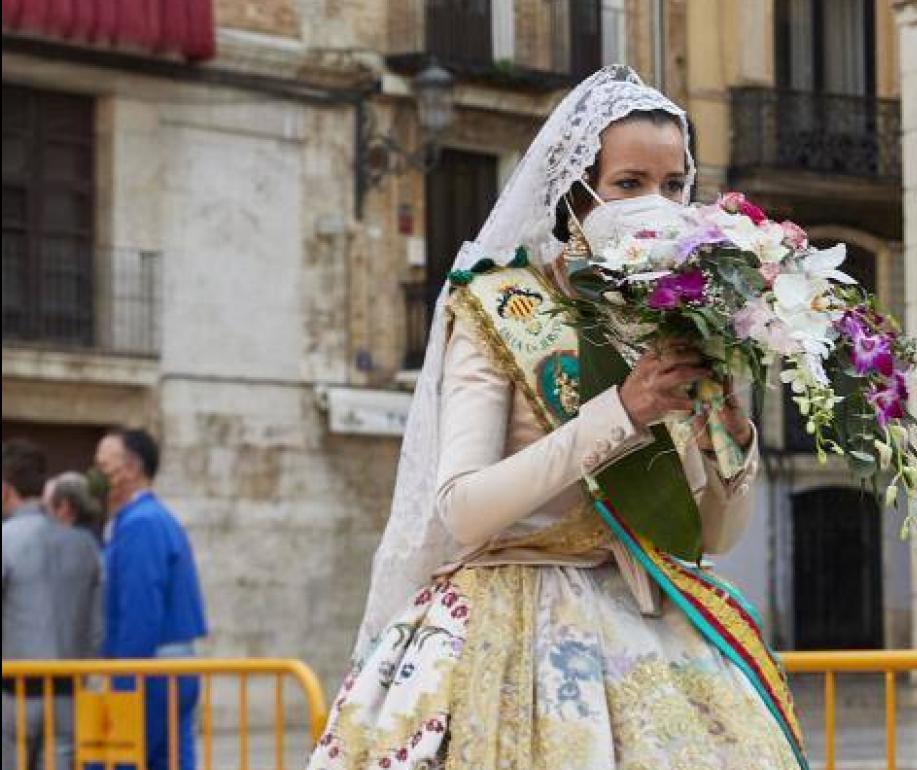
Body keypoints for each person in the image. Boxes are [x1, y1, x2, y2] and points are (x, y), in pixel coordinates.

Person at [307, 66, 805, 770]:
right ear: (575, 195)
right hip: (511, 630)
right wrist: (621, 412)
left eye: (672, 186)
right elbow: (465, 511)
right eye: (628, 184)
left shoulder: (674, 328)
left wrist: (732, 434)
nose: (654, 204)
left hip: (648, 622)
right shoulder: (500, 309)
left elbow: (713, 536)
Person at [95, 428, 207, 770]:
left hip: (151, 670)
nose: (96, 475)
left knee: (120, 760)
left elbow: (140, 609)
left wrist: (125, 679)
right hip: (170, 668)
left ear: (130, 468)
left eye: (103, 466)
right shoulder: (154, 518)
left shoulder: (140, 524)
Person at [2, 439, 102, 770]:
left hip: (13, 691)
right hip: (69, 691)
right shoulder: (83, 545)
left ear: (5, 490)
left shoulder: (6, 540)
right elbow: (97, 626)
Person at [44, 471, 106, 543]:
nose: (48, 513)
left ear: (65, 506)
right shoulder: (94, 533)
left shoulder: (72, 540)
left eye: (54, 505)